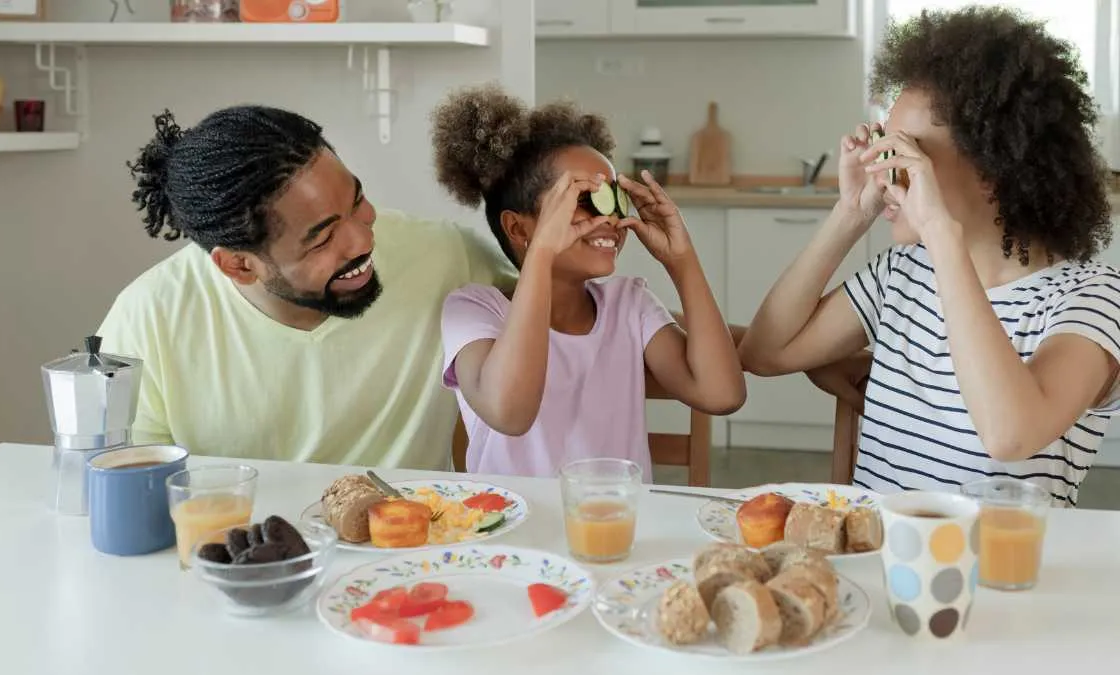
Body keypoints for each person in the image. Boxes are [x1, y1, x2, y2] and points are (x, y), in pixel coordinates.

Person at [739, 6, 1119, 506]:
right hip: (881, 563)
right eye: (883, 148)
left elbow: (1010, 435)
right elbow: (764, 354)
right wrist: (850, 214)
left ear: (993, 168)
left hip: (1005, 577)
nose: (884, 171)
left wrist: (942, 232)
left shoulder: (1091, 298)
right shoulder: (903, 275)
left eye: (906, 155)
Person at [96, 105, 515, 469]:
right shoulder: (147, 318)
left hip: (413, 550)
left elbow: (562, 309)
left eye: (357, 202)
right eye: (323, 239)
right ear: (239, 265)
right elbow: (130, 485)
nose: (363, 240)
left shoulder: (446, 256)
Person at [431, 84, 745, 480]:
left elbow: (722, 395)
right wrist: (542, 254)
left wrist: (682, 260)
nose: (610, 218)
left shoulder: (629, 305)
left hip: (616, 528)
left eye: (614, 199)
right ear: (518, 227)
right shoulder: (474, 310)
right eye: (584, 199)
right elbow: (510, 413)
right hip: (513, 531)